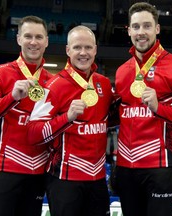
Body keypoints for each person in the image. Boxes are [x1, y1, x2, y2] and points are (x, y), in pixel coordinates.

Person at [114, 2, 172, 216]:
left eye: (147, 26)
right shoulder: (122, 71)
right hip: (126, 167)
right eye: (135, 27)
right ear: (128, 31)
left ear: (157, 28)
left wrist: (159, 108)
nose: (141, 32)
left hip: (161, 166)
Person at [27, 25, 113, 216]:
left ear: (96, 49)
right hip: (65, 179)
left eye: (88, 47)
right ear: (68, 50)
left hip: (98, 178)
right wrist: (66, 118)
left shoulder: (104, 84)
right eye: (77, 47)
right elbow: (33, 133)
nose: (83, 53)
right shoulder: (53, 86)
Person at [0, 15, 52, 216]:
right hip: (5, 169)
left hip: (37, 172)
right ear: (18, 38)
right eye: (28, 36)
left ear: (46, 41)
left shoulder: (54, 82)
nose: (33, 42)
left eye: (39, 37)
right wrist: (11, 97)